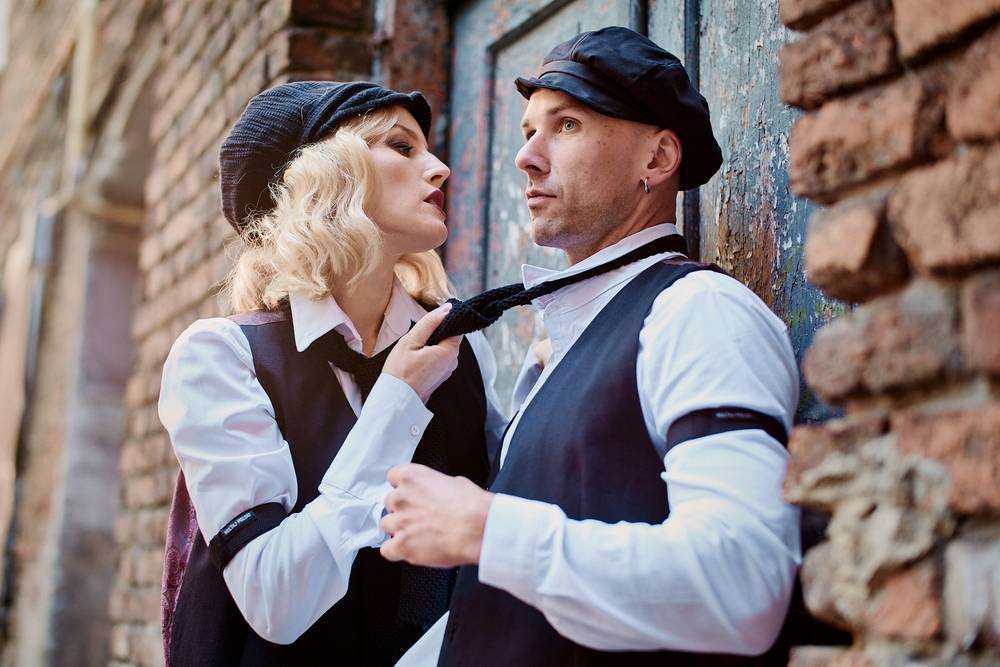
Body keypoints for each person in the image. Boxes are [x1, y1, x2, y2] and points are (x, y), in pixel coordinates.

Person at [382, 27, 803, 665]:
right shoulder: (561, 347)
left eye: (567, 125)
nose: (527, 156)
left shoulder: (699, 311)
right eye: (528, 130)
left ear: (657, 160)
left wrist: (487, 529)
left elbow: (744, 585)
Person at [157, 81, 506, 665]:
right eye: (402, 147)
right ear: (328, 173)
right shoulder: (222, 356)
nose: (440, 168)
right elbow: (275, 599)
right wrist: (397, 401)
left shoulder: (462, 353)